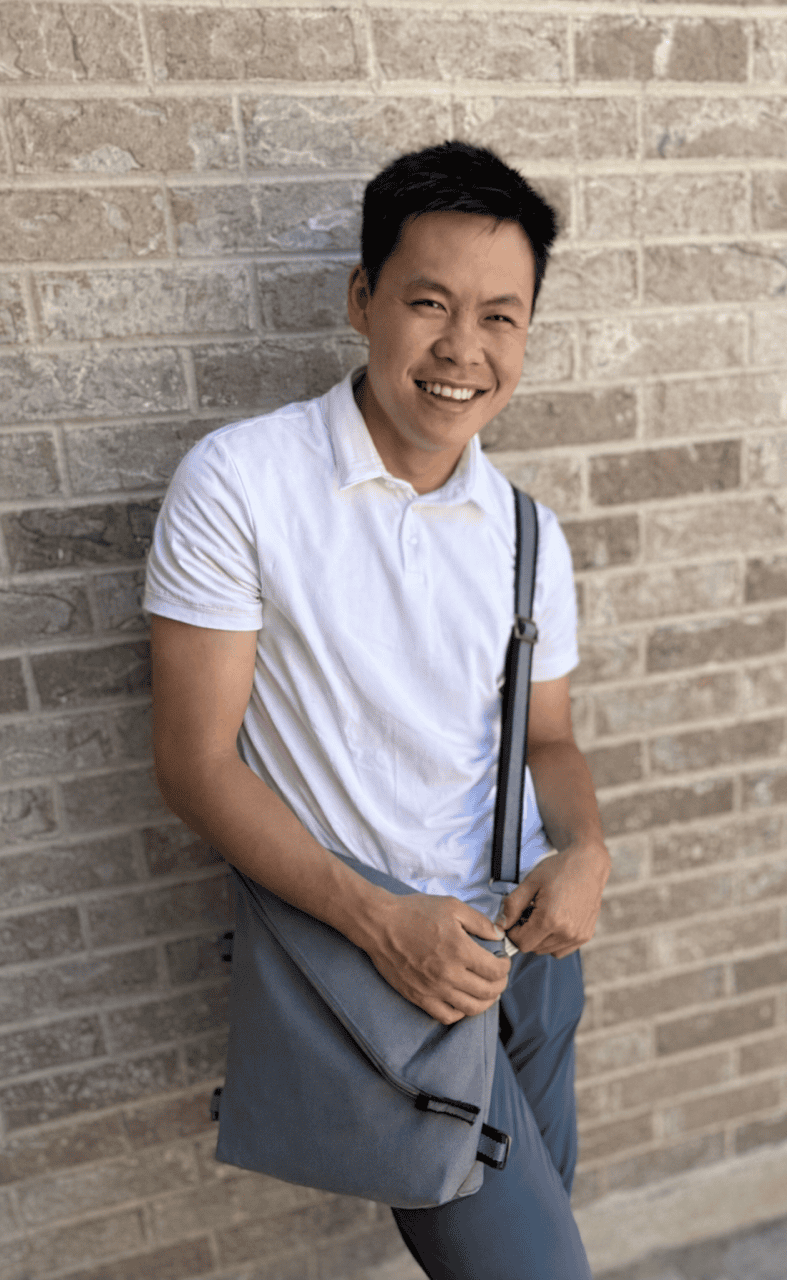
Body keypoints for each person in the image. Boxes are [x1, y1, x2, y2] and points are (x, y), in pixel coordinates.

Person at [146, 140, 610, 1280]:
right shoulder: (241, 481)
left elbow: (543, 737)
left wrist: (588, 845)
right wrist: (378, 919)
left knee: (542, 1233)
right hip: (378, 957)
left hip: (524, 950)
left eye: (501, 316)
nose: (463, 348)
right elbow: (196, 763)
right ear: (362, 300)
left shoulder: (526, 532)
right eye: (428, 303)